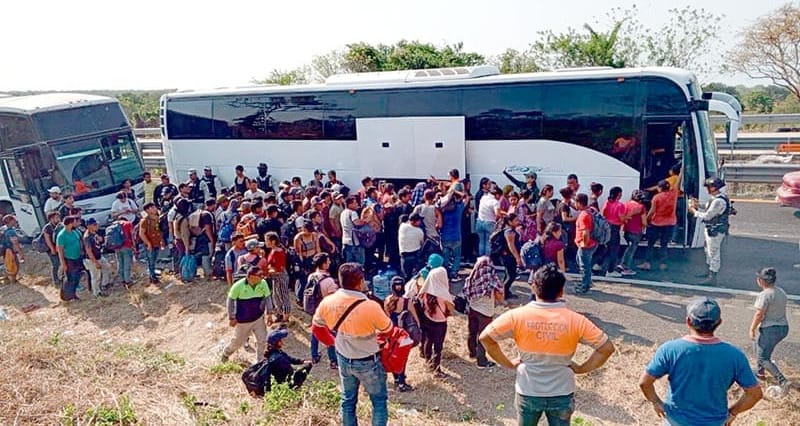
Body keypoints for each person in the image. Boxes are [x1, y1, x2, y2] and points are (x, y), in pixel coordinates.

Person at [480, 264, 615, 426]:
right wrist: (581, 369)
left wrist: (508, 363)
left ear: (533, 287)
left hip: (528, 389)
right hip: (562, 390)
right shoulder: (576, 320)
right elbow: (607, 348)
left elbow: (485, 338)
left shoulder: (516, 316)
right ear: (561, 291)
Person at [639, 297, 763, 425]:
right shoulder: (735, 355)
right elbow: (755, 394)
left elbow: (644, 382)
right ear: (719, 322)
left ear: (688, 321)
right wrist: (732, 412)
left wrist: (656, 402)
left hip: (676, 421)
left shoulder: (670, 350)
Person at [312, 262, 393, 426]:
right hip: (368, 360)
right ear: (360, 281)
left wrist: (333, 343)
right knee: (378, 402)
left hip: (343, 358)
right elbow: (388, 330)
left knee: (348, 401)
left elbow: (317, 328)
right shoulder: (370, 306)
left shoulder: (328, 302)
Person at [749, 267, 790, 389]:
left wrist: (752, 329)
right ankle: (760, 372)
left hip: (770, 329)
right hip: (783, 328)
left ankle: (782, 381)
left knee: (763, 358)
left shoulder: (765, 295)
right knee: (760, 347)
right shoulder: (781, 292)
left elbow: (759, 314)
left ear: (761, 281)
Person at [220, 265, 271, 363]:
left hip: (258, 318)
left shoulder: (263, 283)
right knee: (237, 342)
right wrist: (231, 317)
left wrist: (269, 313)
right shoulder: (238, 286)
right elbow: (230, 301)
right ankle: (226, 353)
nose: (262, 277)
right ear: (251, 277)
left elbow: (267, 297)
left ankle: (259, 361)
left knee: (262, 340)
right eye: (260, 275)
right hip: (243, 321)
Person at [689, 177, 732, 285]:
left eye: (709, 187)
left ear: (714, 187)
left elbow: (708, 215)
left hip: (715, 230)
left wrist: (694, 211)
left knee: (713, 253)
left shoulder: (718, 201)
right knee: (707, 251)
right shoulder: (716, 198)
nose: (707, 189)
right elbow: (708, 207)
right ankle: (709, 271)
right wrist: (698, 205)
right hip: (712, 228)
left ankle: (713, 277)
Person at [462, 255, 503, 369]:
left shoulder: (470, 278)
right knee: (484, 335)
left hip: (472, 309)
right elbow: (500, 296)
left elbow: (466, 293)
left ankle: (472, 353)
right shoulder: (492, 279)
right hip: (486, 312)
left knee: (472, 332)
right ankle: (482, 361)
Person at [383, 276, 419, 392]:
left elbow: (386, 319)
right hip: (404, 335)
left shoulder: (387, 300)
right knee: (402, 358)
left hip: (392, 334)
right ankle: (401, 382)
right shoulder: (407, 302)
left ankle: (397, 379)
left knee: (393, 356)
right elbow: (415, 319)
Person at [418, 264, 454, 378]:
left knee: (428, 341)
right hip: (440, 323)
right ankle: (437, 369)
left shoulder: (425, 292)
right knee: (438, 346)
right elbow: (451, 310)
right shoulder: (443, 294)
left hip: (427, 320)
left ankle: (428, 362)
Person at [307, 253, 340, 369]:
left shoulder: (311, 276)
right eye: (328, 261)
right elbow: (332, 298)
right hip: (327, 310)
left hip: (315, 308)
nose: (330, 262)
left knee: (315, 331)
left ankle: (314, 355)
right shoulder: (329, 281)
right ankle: (333, 361)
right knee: (329, 334)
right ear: (324, 264)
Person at [638, 180, 677, 272]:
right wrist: (682, 170)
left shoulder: (656, 197)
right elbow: (677, 183)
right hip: (670, 223)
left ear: (660, 188)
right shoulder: (674, 194)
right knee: (664, 244)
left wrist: (646, 219)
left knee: (650, 244)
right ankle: (663, 264)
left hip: (656, 223)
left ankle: (647, 263)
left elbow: (652, 211)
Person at [494, 214, 523, 300]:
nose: (518, 222)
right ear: (510, 222)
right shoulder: (509, 232)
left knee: (508, 274)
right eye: (516, 220)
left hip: (508, 256)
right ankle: (503, 293)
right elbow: (511, 246)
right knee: (511, 276)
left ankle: (505, 291)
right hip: (508, 256)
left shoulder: (509, 230)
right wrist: (518, 258)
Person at [265, 232, 292, 323]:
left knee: (283, 296)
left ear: (273, 241)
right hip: (275, 277)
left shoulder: (278, 252)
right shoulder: (273, 251)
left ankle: (286, 317)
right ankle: (280, 313)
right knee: (276, 295)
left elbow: (279, 269)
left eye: (267, 240)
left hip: (280, 276)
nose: (266, 242)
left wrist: (266, 272)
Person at [619, 190, 647, 276]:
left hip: (627, 229)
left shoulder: (626, 204)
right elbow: (644, 221)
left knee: (629, 247)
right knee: (631, 250)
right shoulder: (641, 207)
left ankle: (623, 264)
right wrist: (645, 227)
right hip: (636, 231)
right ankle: (625, 267)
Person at [56, 216, 84, 301]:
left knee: (77, 277)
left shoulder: (75, 231)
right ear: (70, 224)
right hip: (69, 259)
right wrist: (63, 263)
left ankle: (73, 294)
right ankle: (67, 296)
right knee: (70, 278)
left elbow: (80, 240)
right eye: (74, 222)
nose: (76, 224)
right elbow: (60, 250)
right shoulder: (62, 235)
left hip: (78, 257)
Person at [82, 218, 111, 297]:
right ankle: (97, 292)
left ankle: (105, 284)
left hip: (99, 256)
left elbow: (99, 240)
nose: (96, 226)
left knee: (107, 267)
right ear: (88, 226)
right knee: (95, 276)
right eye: (94, 225)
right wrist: (95, 262)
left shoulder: (94, 233)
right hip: (92, 259)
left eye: (96, 224)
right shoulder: (87, 237)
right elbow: (88, 251)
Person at [600, 186, 625, 278]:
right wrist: (626, 218)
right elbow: (621, 218)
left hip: (606, 227)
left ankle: (598, 264)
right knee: (614, 250)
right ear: (618, 194)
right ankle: (610, 270)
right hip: (615, 228)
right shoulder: (620, 205)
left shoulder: (607, 202)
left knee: (606, 247)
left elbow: (603, 214)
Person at [574, 194, 597, 294]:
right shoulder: (590, 210)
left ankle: (585, 286)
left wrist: (584, 244)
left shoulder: (584, 215)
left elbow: (585, 232)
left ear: (579, 203)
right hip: (592, 243)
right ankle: (587, 281)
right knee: (581, 262)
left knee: (584, 266)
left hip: (586, 245)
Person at [139, 202, 165, 284]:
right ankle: (152, 277)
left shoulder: (157, 218)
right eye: (152, 208)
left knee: (154, 259)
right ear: (147, 210)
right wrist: (148, 243)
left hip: (156, 242)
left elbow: (159, 230)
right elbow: (141, 233)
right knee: (150, 261)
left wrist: (161, 240)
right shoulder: (145, 221)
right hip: (149, 244)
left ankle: (153, 275)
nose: (155, 209)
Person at [476, 187, 503, 256]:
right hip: (490, 223)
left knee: (481, 242)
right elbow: (497, 214)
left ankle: (481, 259)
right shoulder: (495, 202)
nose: (500, 198)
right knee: (488, 242)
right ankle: (487, 260)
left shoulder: (483, 197)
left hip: (479, 222)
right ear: (497, 195)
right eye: (500, 196)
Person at [340, 196, 366, 265]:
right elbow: (357, 223)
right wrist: (365, 221)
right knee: (359, 264)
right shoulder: (352, 213)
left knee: (349, 264)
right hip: (355, 242)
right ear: (349, 204)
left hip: (345, 241)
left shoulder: (343, 213)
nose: (357, 204)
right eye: (355, 203)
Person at [398, 213, 425, 279]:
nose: (420, 222)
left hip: (404, 256)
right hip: (415, 255)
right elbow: (422, 243)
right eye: (419, 221)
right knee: (417, 277)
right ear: (414, 221)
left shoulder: (402, 226)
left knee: (406, 277)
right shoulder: (419, 231)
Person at [0, 215, 24, 284]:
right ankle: (13, 281)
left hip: (5, 251)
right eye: (14, 220)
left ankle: (10, 279)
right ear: (11, 221)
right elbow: (15, 243)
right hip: (10, 251)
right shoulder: (11, 232)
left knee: (9, 264)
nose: (15, 221)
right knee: (14, 265)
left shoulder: (3, 229)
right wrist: (20, 253)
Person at [42, 211, 63, 286]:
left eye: (58, 217)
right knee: (55, 264)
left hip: (58, 247)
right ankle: (56, 280)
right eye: (56, 218)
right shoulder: (48, 227)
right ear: (51, 219)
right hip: (51, 249)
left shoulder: (59, 226)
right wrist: (52, 249)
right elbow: (47, 239)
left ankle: (61, 277)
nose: (58, 219)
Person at [114, 218, 136, 286]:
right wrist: (134, 246)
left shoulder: (114, 224)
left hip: (116, 247)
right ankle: (128, 281)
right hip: (126, 246)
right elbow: (132, 235)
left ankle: (121, 280)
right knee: (127, 263)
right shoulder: (128, 223)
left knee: (120, 263)